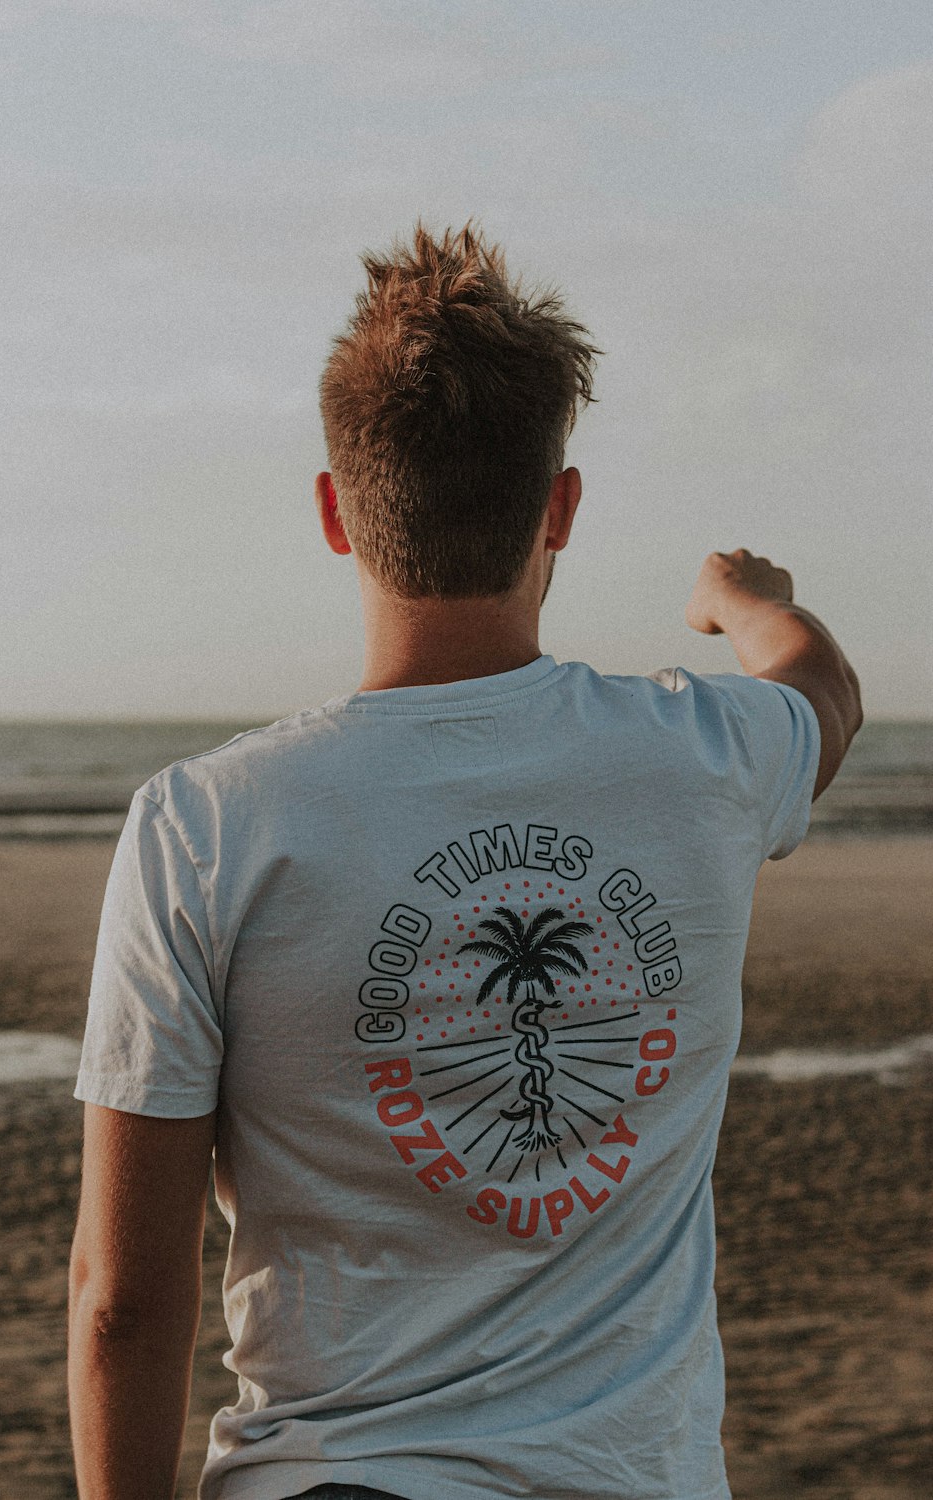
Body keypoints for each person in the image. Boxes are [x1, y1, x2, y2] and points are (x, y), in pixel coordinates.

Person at [67, 220, 862, 1500]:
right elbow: (822, 691)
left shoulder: (205, 828)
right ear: (560, 508)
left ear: (336, 510)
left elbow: (124, 1300)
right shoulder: (707, 757)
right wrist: (741, 598)